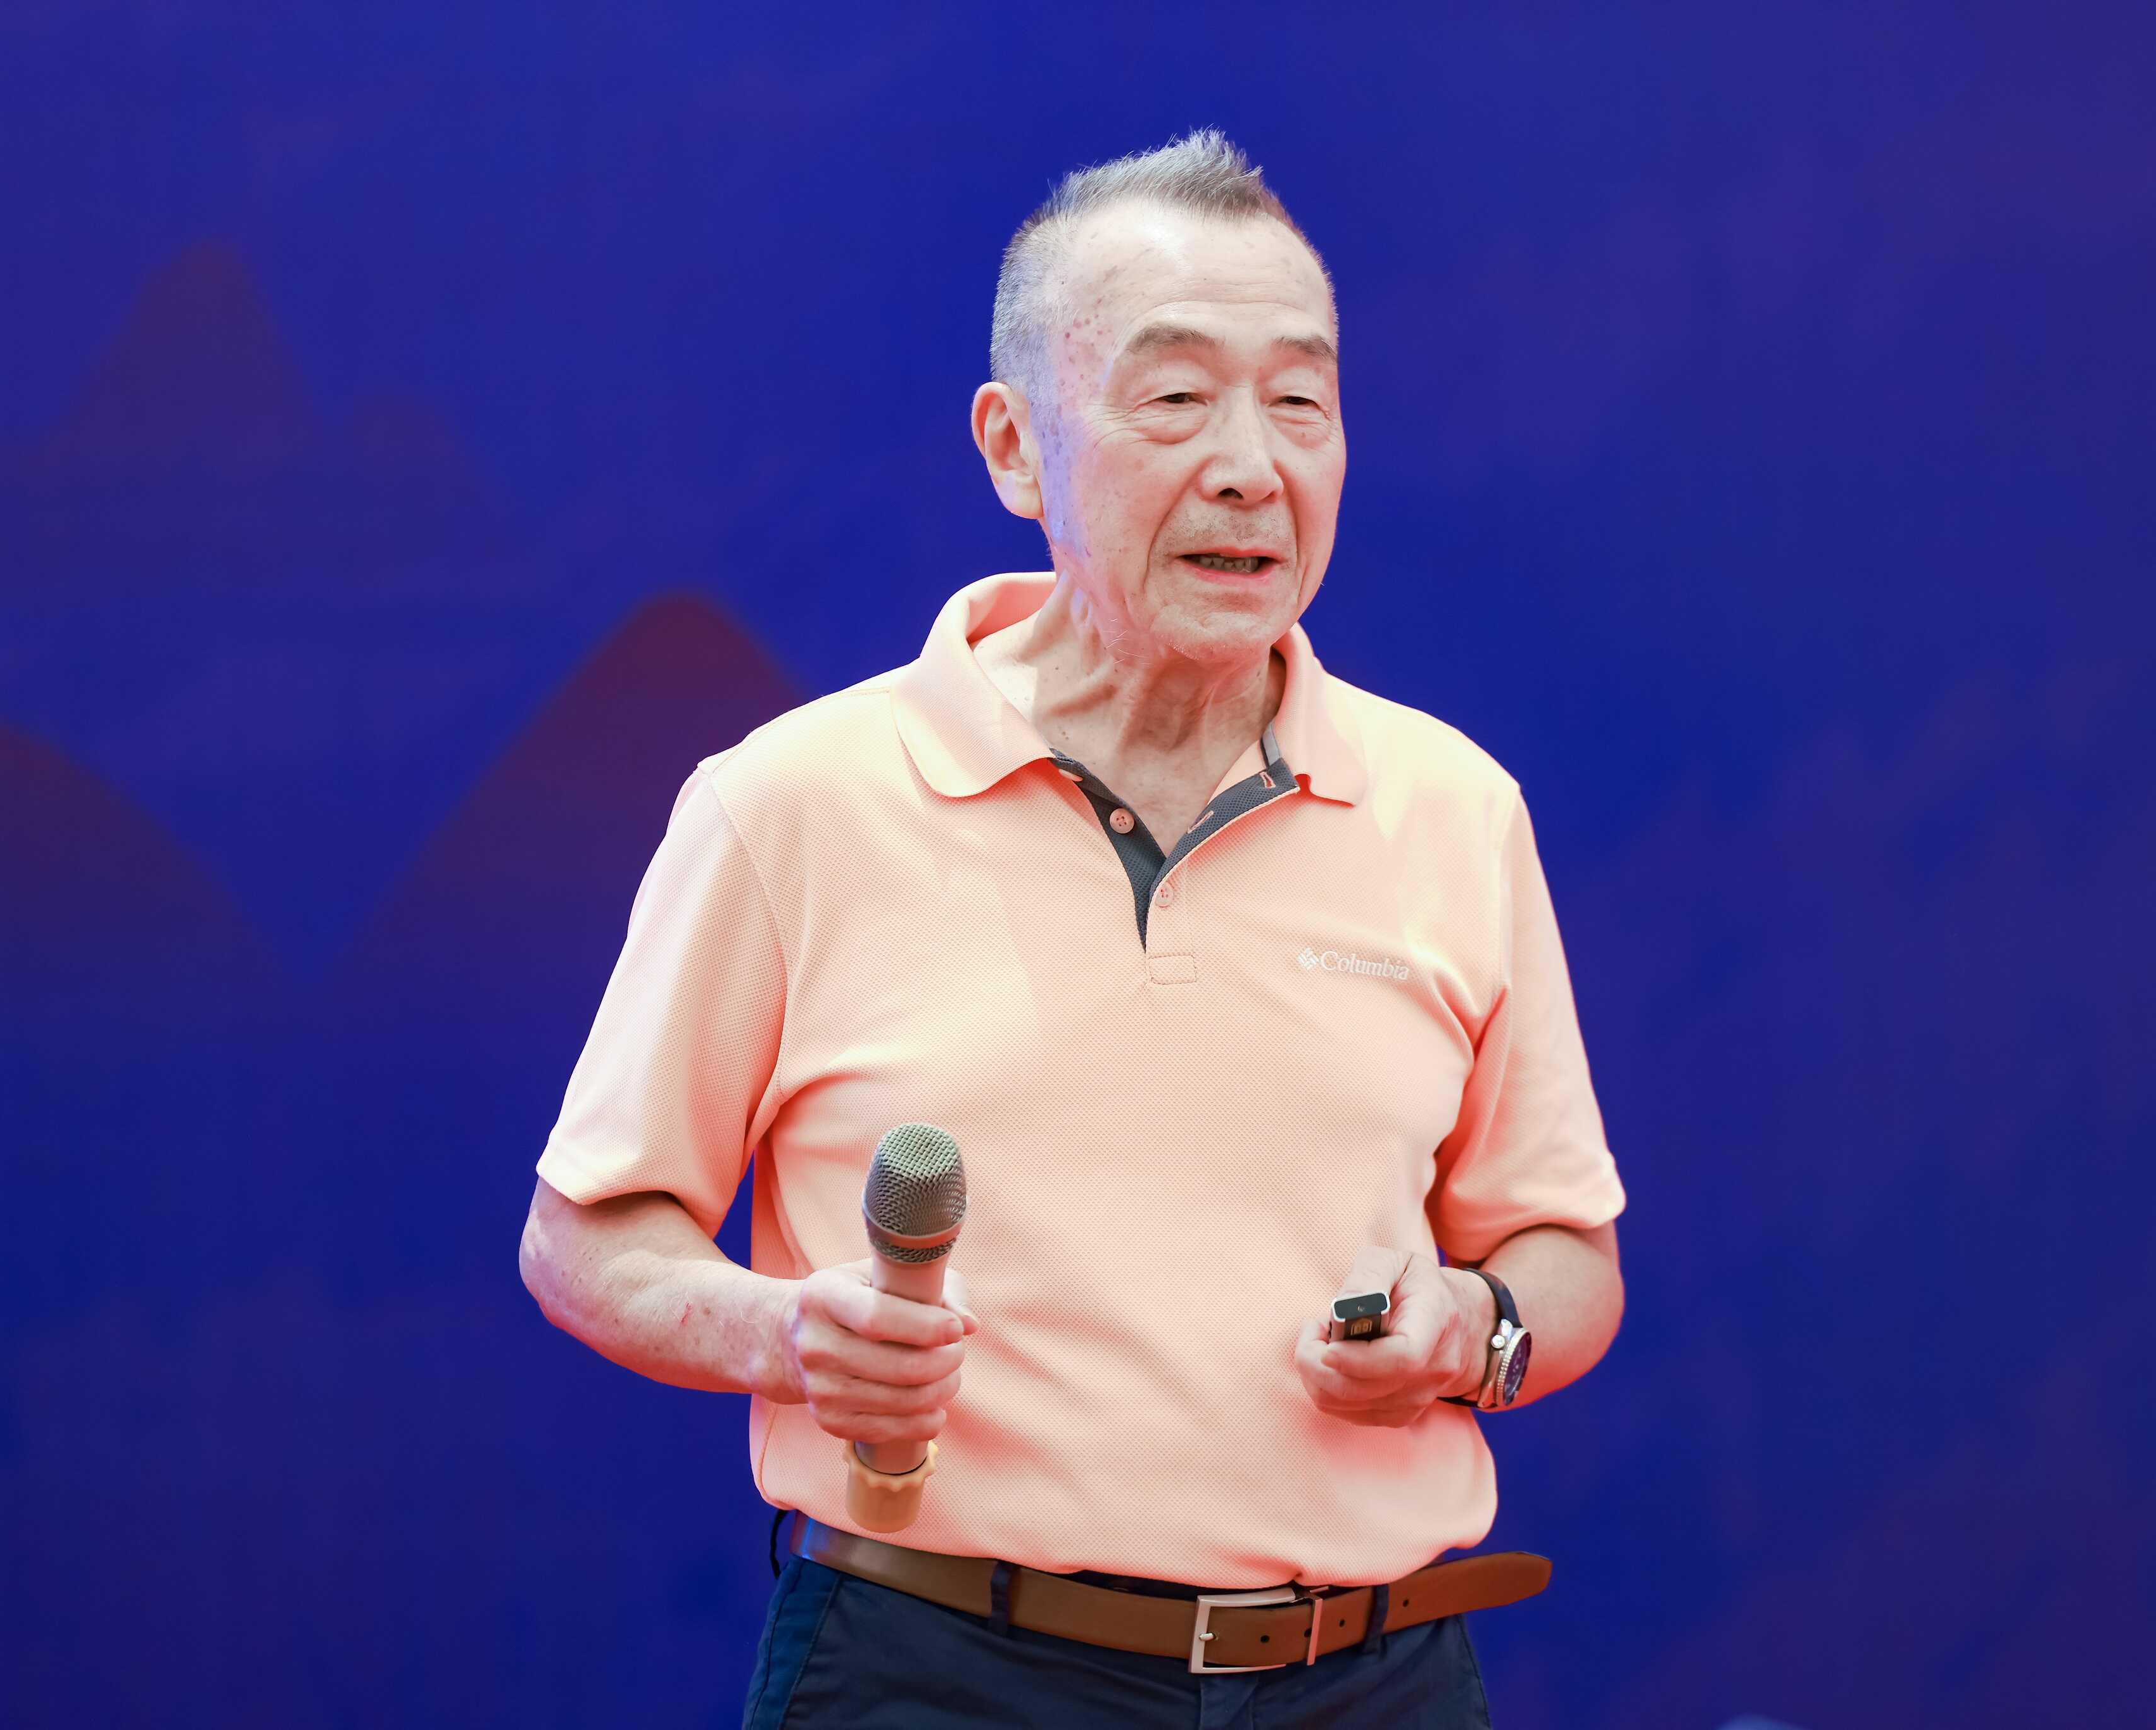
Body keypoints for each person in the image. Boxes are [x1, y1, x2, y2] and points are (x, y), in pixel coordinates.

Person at [516, 127, 1627, 1728]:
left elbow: (1565, 1261)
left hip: (1369, 1680)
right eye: (1174, 400)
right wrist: (785, 1333)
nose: (1249, 464)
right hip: (937, 1669)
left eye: (1299, 403)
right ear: (1013, 448)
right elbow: (585, 1237)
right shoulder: (791, 802)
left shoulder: (1452, 807)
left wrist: (1475, 1327)